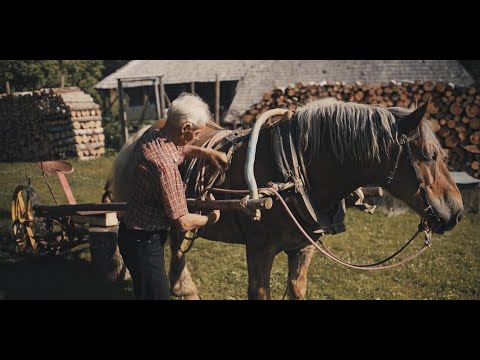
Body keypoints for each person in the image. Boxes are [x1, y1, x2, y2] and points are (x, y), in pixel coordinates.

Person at [117, 93, 228, 300]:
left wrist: (207, 153)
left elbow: (179, 149)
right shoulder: (166, 168)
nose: (197, 138)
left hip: (132, 233)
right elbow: (183, 222)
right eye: (196, 134)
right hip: (145, 243)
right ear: (185, 128)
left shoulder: (154, 137)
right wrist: (212, 217)